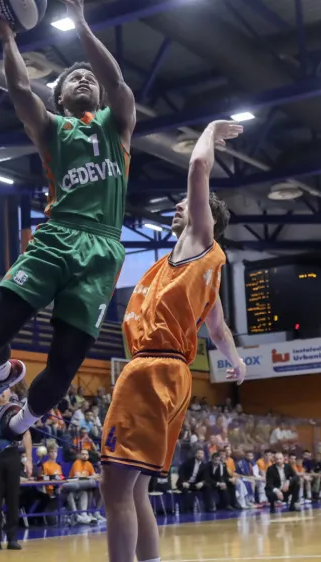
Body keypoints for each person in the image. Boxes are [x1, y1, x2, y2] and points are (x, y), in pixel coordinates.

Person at [0, 0, 137, 463]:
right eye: (72, 79)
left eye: (90, 79)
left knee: (63, 368)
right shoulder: (51, 129)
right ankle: (0, 374)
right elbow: (20, 87)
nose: (84, 79)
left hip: (102, 250)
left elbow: (118, 82)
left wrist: (80, 23)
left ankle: (13, 426)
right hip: (57, 236)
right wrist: (6, 37)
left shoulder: (116, 125)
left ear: (98, 96)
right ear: (59, 98)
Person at [94, 119, 244, 562]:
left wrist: (212, 130)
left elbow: (198, 164)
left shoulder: (200, 242)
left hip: (151, 368)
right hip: (171, 372)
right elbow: (217, 328)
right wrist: (236, 363)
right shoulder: (203, 271)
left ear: (207, 217)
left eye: (187, 204)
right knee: (136, 485)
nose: (179, 207)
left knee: (115, 483)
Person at [0, 389, 33, 552]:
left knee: (13, 498)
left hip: (12, 455)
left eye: (6, 389)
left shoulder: (16, 410)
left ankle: (12, 538)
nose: (3, 393)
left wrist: (29, 459)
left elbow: (26, 434)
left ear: (10, 391)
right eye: (1, 390)